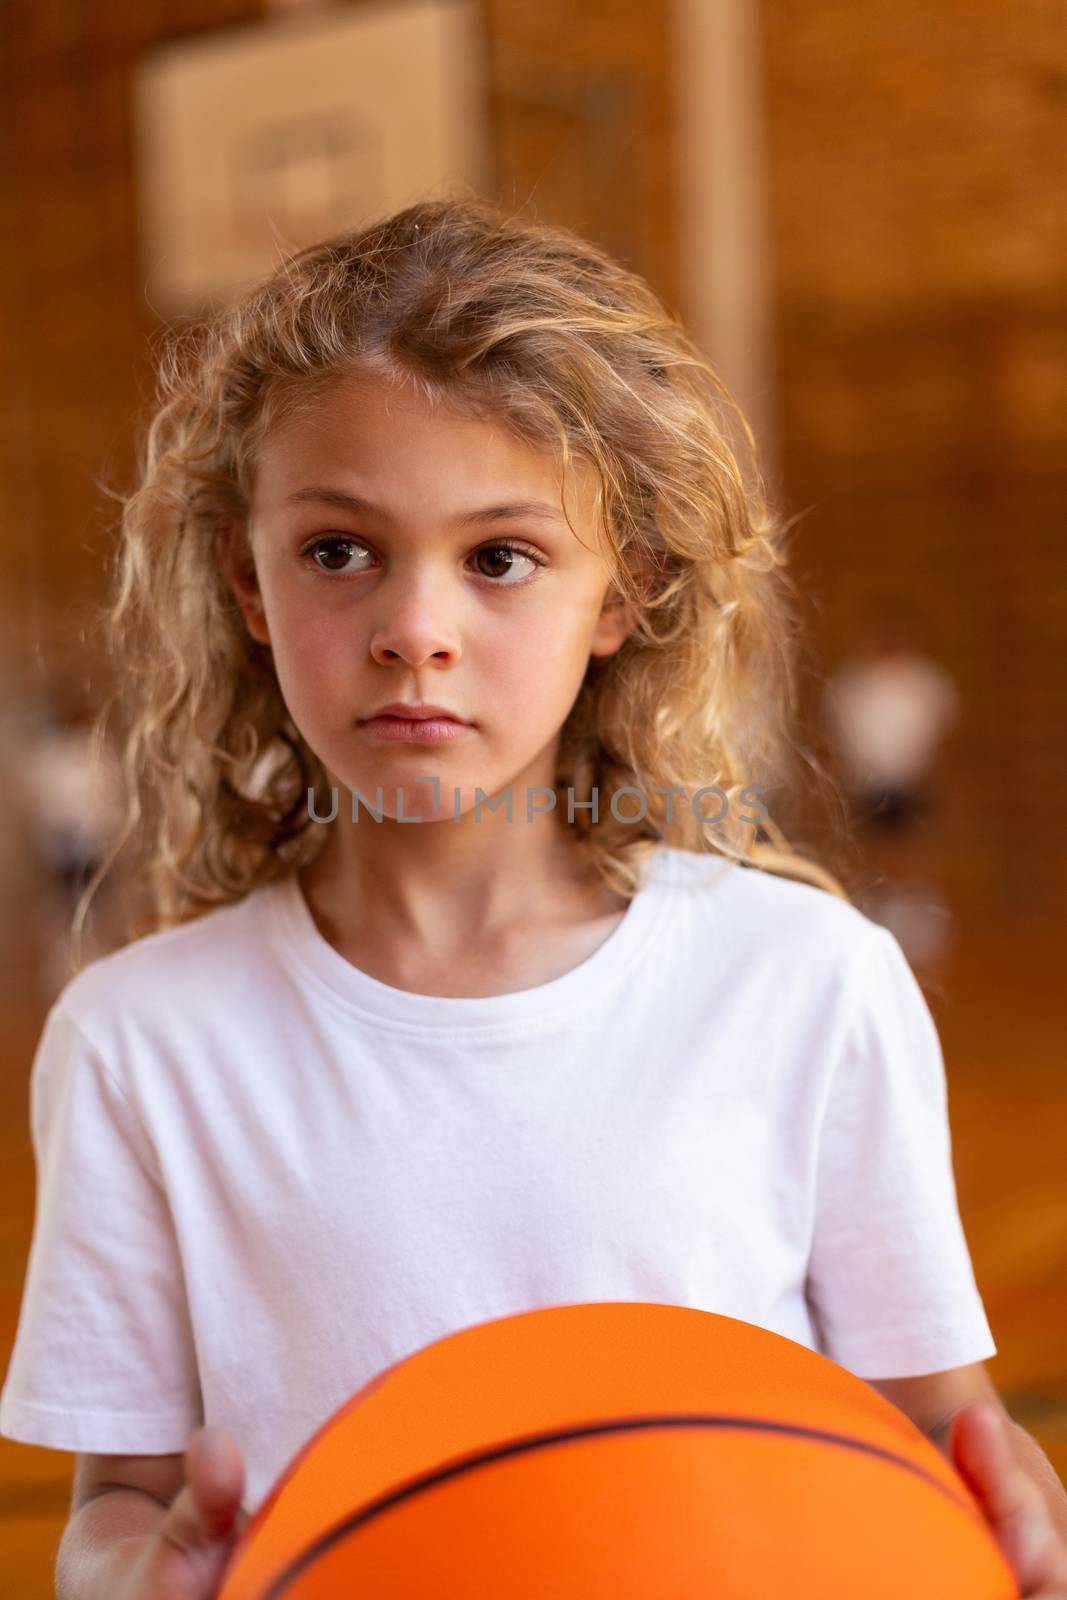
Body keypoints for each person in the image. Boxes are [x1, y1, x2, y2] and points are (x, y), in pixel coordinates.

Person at [2, 194, 1065, 1600]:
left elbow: (939, 1435)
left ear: (618, 596)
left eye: (502, 558)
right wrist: (132, 1579)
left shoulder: (805, 980)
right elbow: (117, 1508)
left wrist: (1016, 1534)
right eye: (338, 550)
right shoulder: (143, 1041)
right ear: (246, 579)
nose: (415, 632)